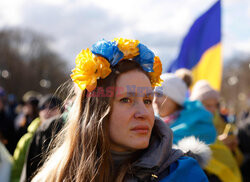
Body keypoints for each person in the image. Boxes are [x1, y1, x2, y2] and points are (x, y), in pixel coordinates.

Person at [31, 38, 208, 182]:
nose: (144, 113)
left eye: (147, 100)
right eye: (126, 99)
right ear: (95, 111)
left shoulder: (184, 175)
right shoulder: (54, 176)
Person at [190, 80, 243, 182]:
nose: (213, 109)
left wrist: (232, 148)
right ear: (197, 104)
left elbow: (235, 160)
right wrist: (219, 144)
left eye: (215, 105)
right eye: (208, 105)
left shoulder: (220, 122)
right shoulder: (189, 125)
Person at [153, 73, 217, 145]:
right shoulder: (151, 123)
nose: (155, 101)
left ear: (175, 99)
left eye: (159, 95)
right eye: (154, 95)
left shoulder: (199, 125)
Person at [11, 95, 63, 182]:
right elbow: (17, 169)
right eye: (43, 107)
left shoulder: (69, 137)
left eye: (52, 106)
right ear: (39, 112)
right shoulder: (27, 139)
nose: (47, 110)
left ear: (61, 111)